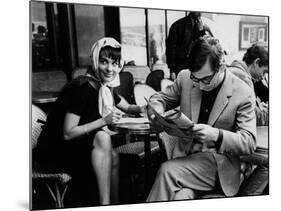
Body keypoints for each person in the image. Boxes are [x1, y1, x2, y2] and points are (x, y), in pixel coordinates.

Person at [34, 37, 144, 205]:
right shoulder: (82, 87)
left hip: (75, 147)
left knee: (113, 155)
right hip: (54, 152)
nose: (110, 68)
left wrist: (145, 108)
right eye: (104, 62)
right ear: (94, 60)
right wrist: (104, 120)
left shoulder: (103, 87)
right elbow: (68, 133)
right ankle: (104, 203)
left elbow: (127, 107)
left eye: (115, 63)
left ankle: (114, 204)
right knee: (102, 138)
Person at [146, 37, 256, 201]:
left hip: (218, 166)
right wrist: (157, 112)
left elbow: (249, 142)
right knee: (182, 196)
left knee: (166, 170)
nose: (201, 85)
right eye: (195, 79)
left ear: (221, 67)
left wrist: (216, 135)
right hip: (186, 160)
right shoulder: (185, 77)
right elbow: (158, 98)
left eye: (205, 79)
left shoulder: (243, 92)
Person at [228, 43, 269, 126]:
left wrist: (259, 108)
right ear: (256, 62)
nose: (262, 77)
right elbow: (252, 118)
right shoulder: (243, 78)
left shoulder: (235, 71)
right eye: (264, 72)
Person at [166, 12, 213, 80]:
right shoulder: (178, 25)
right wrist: (172, 70)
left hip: (194, 66)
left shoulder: (198, 25)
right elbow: (171, 48)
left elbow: (202, 46)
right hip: (180, 66)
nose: (200, 13)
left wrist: (202, 31)